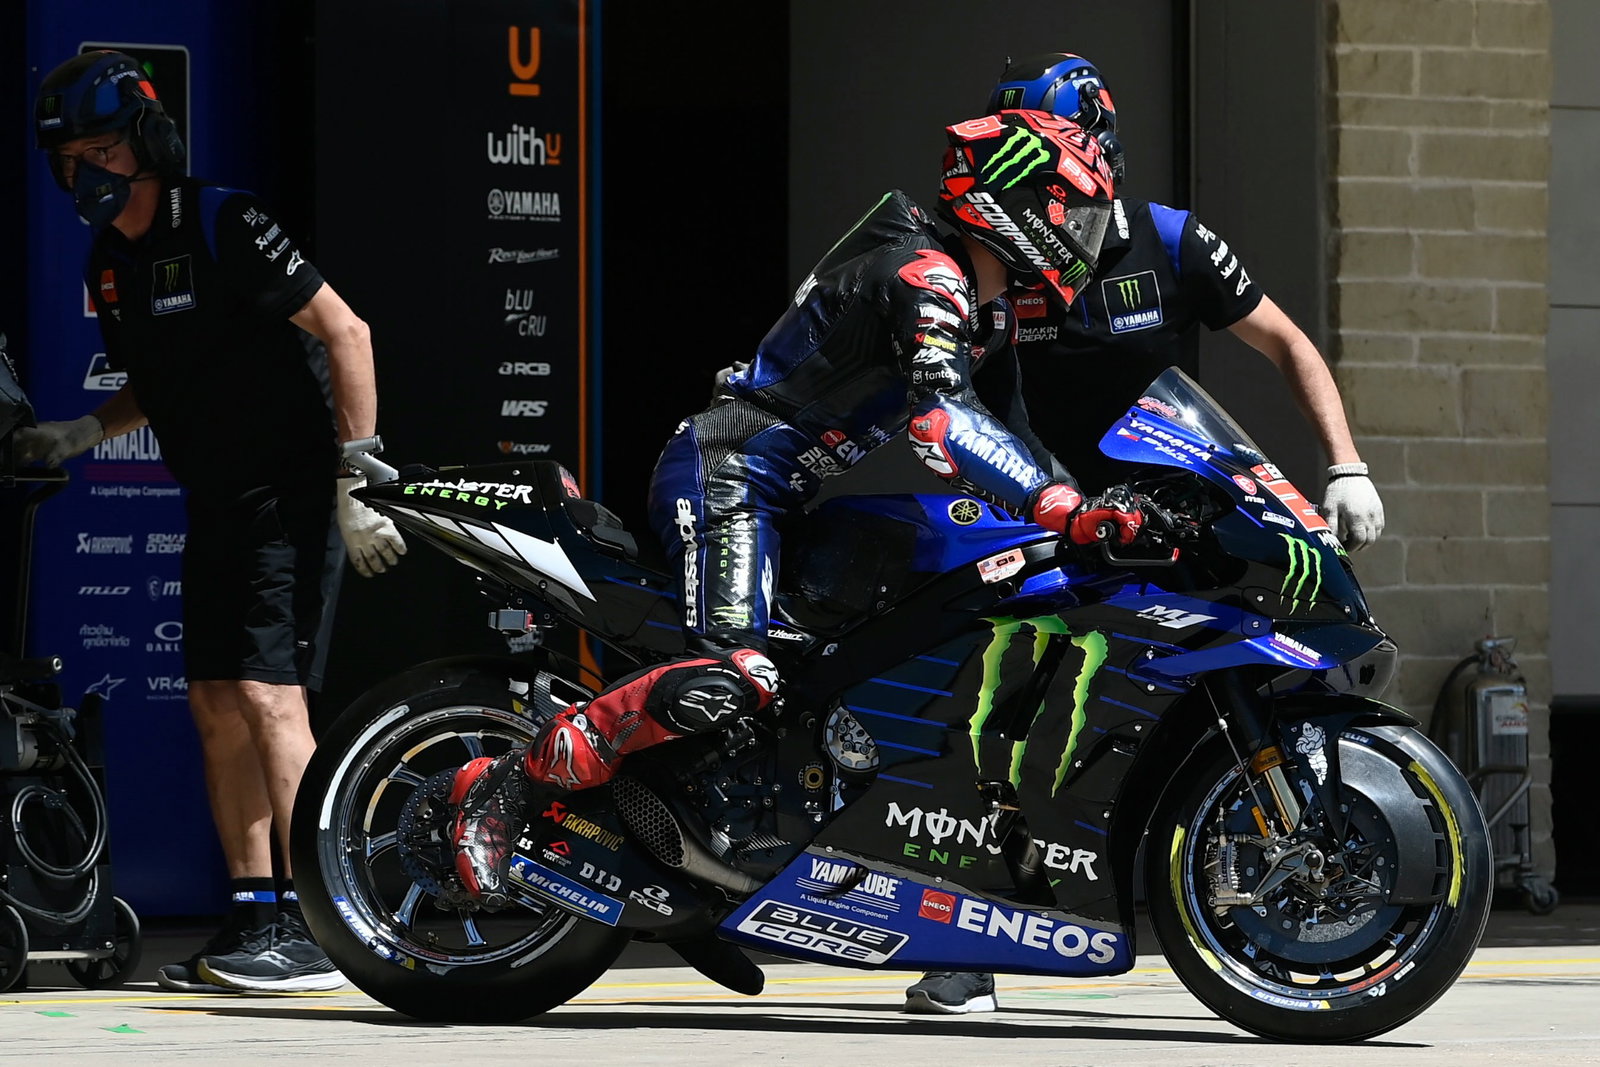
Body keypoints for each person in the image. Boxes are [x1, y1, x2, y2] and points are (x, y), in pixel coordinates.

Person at [449, 109, 1142, 914]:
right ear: (1020, 201)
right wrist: (1065, 505)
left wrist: (1094, 505)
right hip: (730, 470)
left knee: (928, 582)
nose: (1090, 236)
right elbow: (940, 421)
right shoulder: (929, 277)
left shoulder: (982, 307)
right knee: (741, 672)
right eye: (1076, 213)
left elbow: (1006, 434)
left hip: (786, 492)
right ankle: (504, 783)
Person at [902, 52, 1387, 1017]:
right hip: (1030, 506)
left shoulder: (1173, 241)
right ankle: (970, 946)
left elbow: (1288, 341)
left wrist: (1345, 463)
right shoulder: (998, 247)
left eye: (1052, 151)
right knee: (1005, 711)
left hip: (1164, 517)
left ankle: (1247, 861)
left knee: (1224, 677)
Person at [25, 50, 407, 994]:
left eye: (102, 150)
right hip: (218, 497)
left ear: (148, 143)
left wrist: (360, 483)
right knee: (214, 699)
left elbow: (347, 332)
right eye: (72, 158)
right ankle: (256, 919)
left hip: (296, 491)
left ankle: (328, 924)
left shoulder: (224, 217)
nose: (87, 173)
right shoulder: (110, 261)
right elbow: (154, 387)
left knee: (272, 696)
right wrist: (81, 429)